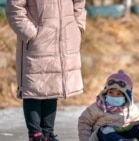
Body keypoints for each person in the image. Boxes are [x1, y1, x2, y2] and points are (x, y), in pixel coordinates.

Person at [5, 0, 87, 141]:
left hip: (65, 39)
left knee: (53, 86)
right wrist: (32, 34)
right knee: (33, 88)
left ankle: (48, 133)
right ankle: (35, 134)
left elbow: (79, 4)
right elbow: (14, 8)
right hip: (37, 42)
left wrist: (77, 27)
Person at [78, 70, 139, 141]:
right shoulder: (97, 107)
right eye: (110, 92)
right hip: (105, 137)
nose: (114, 95)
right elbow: (84, 122)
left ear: (127, 96)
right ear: (105, 92)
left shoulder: (131, 108)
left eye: (119, 94)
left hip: (126, 136)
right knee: (105, 129)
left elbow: (138, 122)